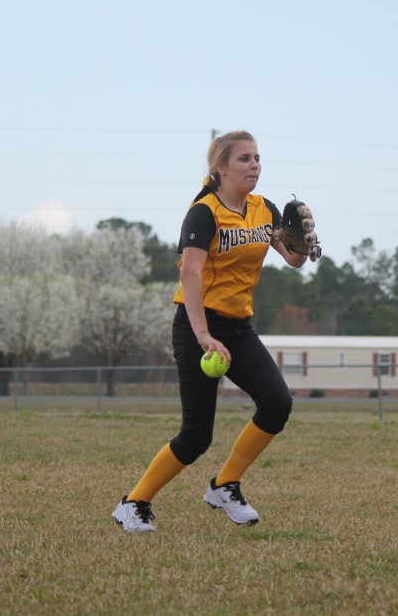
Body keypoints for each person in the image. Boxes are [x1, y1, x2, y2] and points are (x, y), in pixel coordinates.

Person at [112, 130, 310, 532]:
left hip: (238, 326)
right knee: (196, 436)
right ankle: (133, 503)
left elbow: (292, 260)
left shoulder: (263, 209)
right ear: (221, 168)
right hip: (196, 325)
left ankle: (225, 485)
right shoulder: (204, 211)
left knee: (277, 403)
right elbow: (190, 273)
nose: (254, 164)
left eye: (257, 157)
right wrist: (203, 335)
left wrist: (304, 243)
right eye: (244, 158)